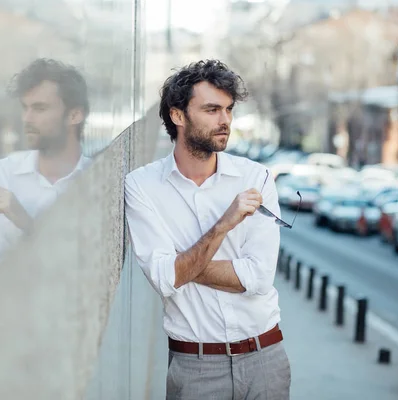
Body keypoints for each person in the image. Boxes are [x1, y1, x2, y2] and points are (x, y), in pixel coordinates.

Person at [124, 60, 291, 399]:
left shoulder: (256, 178)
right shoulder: (141, 186)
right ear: (178, 116)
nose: (225, 120)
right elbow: (162, 280)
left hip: (266, 360)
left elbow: (258, 277)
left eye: (228, 109)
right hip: (195, 368)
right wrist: (224, 225)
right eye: (212, 109)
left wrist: (180, 265)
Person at [0, 58, 92, 279]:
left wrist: (25, 223)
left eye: (40, 108)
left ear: (74, 115)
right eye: (24, 108)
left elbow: (86, 272)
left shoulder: (97, 183)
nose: (27, 118)